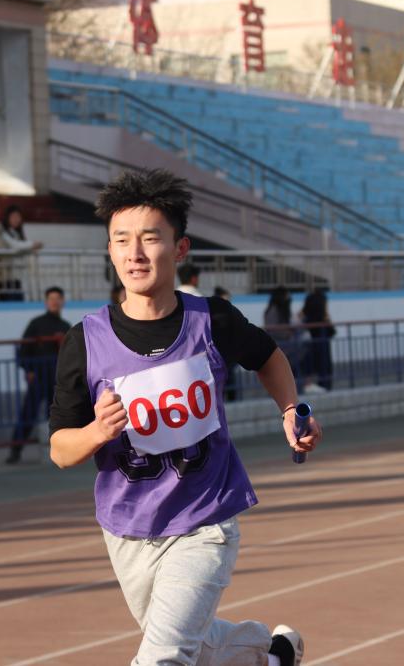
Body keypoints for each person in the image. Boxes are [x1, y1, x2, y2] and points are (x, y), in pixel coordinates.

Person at [48, 169, 319, 666]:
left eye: (150, 238)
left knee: (164, 657)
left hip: (204, 520)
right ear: (110, 251)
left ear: (180, 248)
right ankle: (273, 655)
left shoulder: (211, 320)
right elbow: (60, 451)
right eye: (121, 240)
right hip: (127, 529)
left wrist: (289, 409)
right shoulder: (84, 341)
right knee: (194, 643)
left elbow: (268, 357)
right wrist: (96, 431)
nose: (135, 253)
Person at [7, 286, 71, 465]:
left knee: (58, 416)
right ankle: (15, 450)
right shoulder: (36, 324)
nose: (54, 302)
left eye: (57, 298)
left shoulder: (66, 326)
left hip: (58, 380)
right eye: (51, 299)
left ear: (62, 302)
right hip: (39, 377)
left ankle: (60, 452)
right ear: (46, 302)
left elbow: (71, 354)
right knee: (28, 413)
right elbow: (24, 350)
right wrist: (29, 370)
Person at [0, 205, 43, 301]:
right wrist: (32, 244)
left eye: (18, 217)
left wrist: (31, 249)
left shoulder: (16, 233)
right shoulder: (3, 233)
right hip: (7, 276)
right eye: (13, 217)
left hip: (17, 276)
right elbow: (15, 245)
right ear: (7, 218)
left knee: (18, 298)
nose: (16, 220)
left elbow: (21, 246)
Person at [264, 286, 301, 391]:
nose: (289, 298)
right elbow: (274, 329)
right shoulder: (273, 311)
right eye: (287, 296)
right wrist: (288, 332)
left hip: (286, 345)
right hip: (279, 346)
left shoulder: (284, 310)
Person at [299, 289, 335, 393]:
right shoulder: (322, 320)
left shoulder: (306, 319)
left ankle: (310, 385)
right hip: (321, 349)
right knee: (323, 369)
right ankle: (323, 386)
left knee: (310, 367)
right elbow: (332, 332)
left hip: (309, 349)